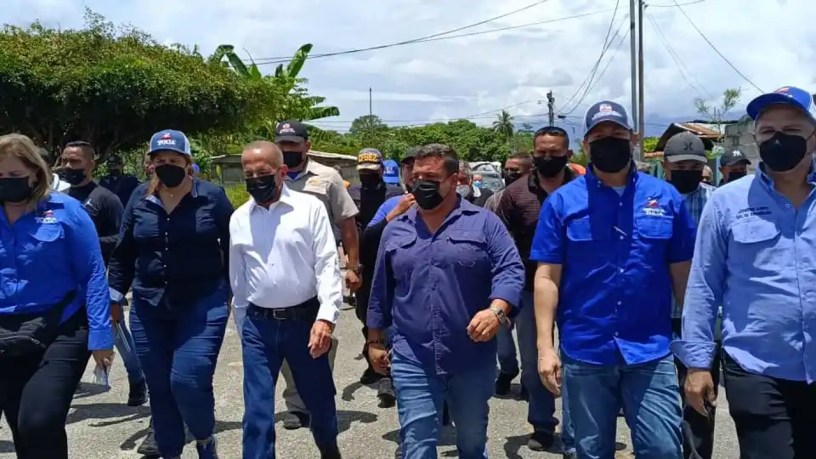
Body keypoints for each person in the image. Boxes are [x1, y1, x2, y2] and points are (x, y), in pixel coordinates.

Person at [533, 101, 696, 459]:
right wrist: (545, 347)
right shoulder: (562, 203)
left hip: (651, 348)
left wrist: (696, 347)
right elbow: (547, 277)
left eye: (617, 133)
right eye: (600, 136)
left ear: (633, 139)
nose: (609, 140)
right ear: (586, 145)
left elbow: (684, 275)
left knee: (664, 449)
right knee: (590, 451)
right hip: (586, 349)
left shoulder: (665, 197)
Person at [673, 85, 816, 459]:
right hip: (756, 368)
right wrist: (697, 364)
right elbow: (704, 286)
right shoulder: (727, 203)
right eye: (768, 131)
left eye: (792, 131)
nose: (778, 139)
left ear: (814, 137)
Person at [368, 143, 525, 458]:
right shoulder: (396, 229)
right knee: (416, 443)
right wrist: (374, 340)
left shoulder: (484, 223)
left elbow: (511, 270)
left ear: (454, 180)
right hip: (413, 354)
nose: (420, 184)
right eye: (416, 177)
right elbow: (380, 289)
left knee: (471, 441)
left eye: (431, 178)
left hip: (471, 355)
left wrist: (496, 311)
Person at [107, 129, 233, 459]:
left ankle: (204, 438)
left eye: (174, 160)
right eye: (159, 160)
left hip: (202, 302)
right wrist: (114, 297)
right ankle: (170, 451)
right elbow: (124, 252)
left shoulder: (212, 197)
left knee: (187, 380)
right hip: (149, 306)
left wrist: (231, 291)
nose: (167, 165)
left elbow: (236, 247)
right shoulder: (139, 197)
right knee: (160, 387)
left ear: (188, 162)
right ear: (150, 164)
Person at [0, 133, 113, 459]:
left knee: (39, 419)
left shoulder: (66, 210)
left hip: (61, 327)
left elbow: (93, 273)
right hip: (6, 331)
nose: (6, 182)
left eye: (14, 174)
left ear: (35, 173)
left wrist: (101, 336)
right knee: (21, 425)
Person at [230, 141, 342, 459]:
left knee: (319, 402)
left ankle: (329, 449)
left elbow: (327, 266)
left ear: (281, 172)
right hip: (258, 325)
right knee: (257, 411)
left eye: (262, 172)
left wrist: (326, 317)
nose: (255, 179)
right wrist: (243, 327)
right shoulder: (239, 218)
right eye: (249, 174)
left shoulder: (309, 209)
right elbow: (238, 280)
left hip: (304, 322)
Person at [274, 120, 361, 429]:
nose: (287, 150)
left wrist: (352, 267)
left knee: (321, 335)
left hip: (320, 270)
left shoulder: (328, 177)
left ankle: (318, 396)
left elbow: (347, 223)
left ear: (307, 146)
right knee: (286, 340)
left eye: (293, 144)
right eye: (282, 145)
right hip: (283, 270)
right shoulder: (270, 177)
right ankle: (297, 404)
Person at [496, 126, 574, 453]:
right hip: (529, 290)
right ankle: (542, 424)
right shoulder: (514, 194)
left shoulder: (584, 189)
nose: (548, 158)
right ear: (533, 154)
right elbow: (501, 244)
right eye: (541, 152)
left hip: (577, 289)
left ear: (568, 154)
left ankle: (575, 428)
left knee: (577, 361)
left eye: (555, 153)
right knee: (534, 361)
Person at [58, 140, 149, 406]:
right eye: (65, 160)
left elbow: (123, 239)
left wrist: (88, 243)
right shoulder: (58, 200)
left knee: (115, 331)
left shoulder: (105, 199)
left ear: (90, 164)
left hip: (102, 276)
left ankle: (137, 378)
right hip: (67, 280)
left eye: (75, 161)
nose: (68, 166)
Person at [661, 131, 717, 459]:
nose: (687, 172)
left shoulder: (717, 203)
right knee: (660, 398)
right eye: (680, 166)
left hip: (702, 318)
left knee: (699, 395)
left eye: (694, 166)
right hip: (656, 314)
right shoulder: (651, 201)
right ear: (666, 166)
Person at [347, 148, 403, 405]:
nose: (367, 176)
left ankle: (388, 374)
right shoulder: (352, 194)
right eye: (363, 172)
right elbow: (348, 230)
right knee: (365, 314)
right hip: (364, 263)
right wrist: (351, 263)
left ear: (382, 170)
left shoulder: (395, 195)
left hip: (390, 261)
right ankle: (373, 356)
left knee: (388, 315)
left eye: (372, 171)